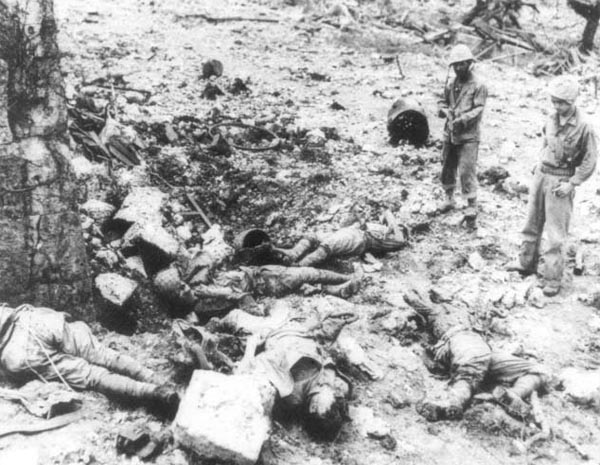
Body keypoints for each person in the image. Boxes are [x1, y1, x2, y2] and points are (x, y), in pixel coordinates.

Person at [206, 304, 355, 440]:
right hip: (299, 327)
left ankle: (236, 316)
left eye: (328, 399)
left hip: (273, 331)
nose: (330, 389)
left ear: (313, 408)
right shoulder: (335, 386)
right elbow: (327, 359)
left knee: (235, 317)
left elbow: (257, 365)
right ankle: (260, 308)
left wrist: (252, 346)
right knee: (277, 306)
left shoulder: (290, 391)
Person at [0, 303, 179, 416]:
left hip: (17, 352)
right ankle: (155, 379)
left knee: (93, 376)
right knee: (103, 354)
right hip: (31, 320)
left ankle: (153, 392)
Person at [507, 75, 597, 297]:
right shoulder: (550, 119)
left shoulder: (584, 126)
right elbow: (545, 143)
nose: (556, 106)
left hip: (561, 182)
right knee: (531, 223)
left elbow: (590, 160)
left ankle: (552, 278)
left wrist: (573, 183)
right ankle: (526, 262)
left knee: (556, 233)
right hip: (542, 175)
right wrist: (538, 164)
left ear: (572, 101)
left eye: (561, 102)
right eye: (554, 101)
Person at [403, 288, 548, 422]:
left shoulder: (464, 309)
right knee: (471, 369)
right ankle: (453, 403)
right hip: (458, 339)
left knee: (538, 371)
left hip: (484, 348)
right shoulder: (435, 310)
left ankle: (513, 395)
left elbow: (487, 316)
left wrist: (492, 313)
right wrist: (425, 293)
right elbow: (409, 296)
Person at [154, 260, 360, 316]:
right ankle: (348, 278)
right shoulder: (201, 306)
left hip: (259, 272)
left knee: (306, 278)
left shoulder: (196, 285)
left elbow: (208, 262)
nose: (186, 288)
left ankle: (338, 290)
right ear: (177, 298)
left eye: (183, 284)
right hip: (267, 285)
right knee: (309, 273)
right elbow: (242, 298)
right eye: (181, 290)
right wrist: (215, 291)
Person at [437, 44, 488, 224]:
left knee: (467, 169)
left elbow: (479, 108)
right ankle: (449, 198)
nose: (459, 68)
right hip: (450, 133)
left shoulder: (479, 85)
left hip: (469, 136)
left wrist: (463, 119)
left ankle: (471, 204)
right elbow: (441, 102)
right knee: (447, 166)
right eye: (455, 65)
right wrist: (445, 111)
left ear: (469, 64)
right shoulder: (451, 84)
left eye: (462, 64)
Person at [272, 223, 408, 268]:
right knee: (313, 236)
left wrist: (395, 226)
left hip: (359, 240)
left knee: (328, 246)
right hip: (351, 232)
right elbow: (387, 213)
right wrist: (389, 226)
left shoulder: (394, 240)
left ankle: (299, 266)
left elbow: (401, 240)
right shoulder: (383, 228)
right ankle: (294, 253)